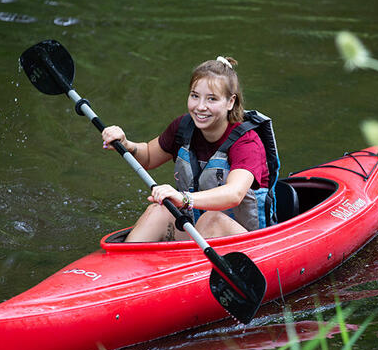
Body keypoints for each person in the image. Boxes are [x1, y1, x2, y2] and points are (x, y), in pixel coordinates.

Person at [101, 56, 279, 242]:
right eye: (195, 96)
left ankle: (181, 268)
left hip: (250, 240)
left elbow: (234, 194)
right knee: (158, 210)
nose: (200, 107)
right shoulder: (183, 127)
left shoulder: (247, 142)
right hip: (198, 233)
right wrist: (125, 143)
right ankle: (128, 264)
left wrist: (184, 199)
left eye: (212, 99)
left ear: (230, 102)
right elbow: (148, 157)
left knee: (212, 220)